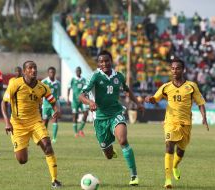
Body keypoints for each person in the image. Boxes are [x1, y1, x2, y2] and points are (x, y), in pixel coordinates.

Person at [79, 50, 144, 186]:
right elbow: (81, 95)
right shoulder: (94, 77)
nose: (104, 63)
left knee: (123, 140)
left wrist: (138, 103)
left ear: (111, 61)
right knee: (108, 155)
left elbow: (127, 90)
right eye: (101, 61)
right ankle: (109, 150)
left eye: (107, 61)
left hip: (116, 113)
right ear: (98, 64)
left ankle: (134, 176)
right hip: (100, 118)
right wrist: (90, 102)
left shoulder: (119, 76)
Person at [144, 58, 209, 189]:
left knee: (181, 150)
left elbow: (200, 103)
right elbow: (155, 99)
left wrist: (204, 117)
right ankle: (167, 180)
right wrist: (150, 99)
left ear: (183, 70)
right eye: (172, 68)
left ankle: (175, 166)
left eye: (177, 68)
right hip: (170, 122)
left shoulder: (191, 86)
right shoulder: (166, 87)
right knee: (169, 146)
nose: (174, 71)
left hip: (186, 123)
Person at [1, 61, 62, 188]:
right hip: (18, 125)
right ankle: (21, 146)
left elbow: (53, 101)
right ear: (24, 71)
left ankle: (54, 180)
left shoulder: (42, 87)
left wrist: (57, 109)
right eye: (30, 68)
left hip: (35, 122)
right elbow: (4, 103)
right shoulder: (15, 84)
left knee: (48, 146)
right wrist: (7, 122)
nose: (33, 70)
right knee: (22, 160)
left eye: (35, 68)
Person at [67, 67, 89, 137]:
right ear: (75, 72)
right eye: (77, 71)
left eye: (79, 71)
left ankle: (80, 129)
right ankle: (76, 132)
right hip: (75, 101)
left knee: (86, 113)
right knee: (75, 116)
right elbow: (69, 88)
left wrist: (87, 98)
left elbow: (87, 89)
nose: (78, 72)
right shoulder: (72, 79)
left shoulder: (83, 80)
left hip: (83, 100)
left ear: (81, 72)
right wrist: (68, 98)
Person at [41, 67, 61, 143]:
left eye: (53, 72)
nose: (52, 74)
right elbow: (41, 94)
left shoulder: (58, 83)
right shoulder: (44, 82)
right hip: (46, 105)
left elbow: (58, 96)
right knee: (45, 121)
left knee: (55, 120)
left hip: (54, 105)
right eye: (50, 72)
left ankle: (54, 138)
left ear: (55, 73)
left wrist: (58, 107)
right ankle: (45, 137)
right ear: (48, 73)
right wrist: (41, 103)